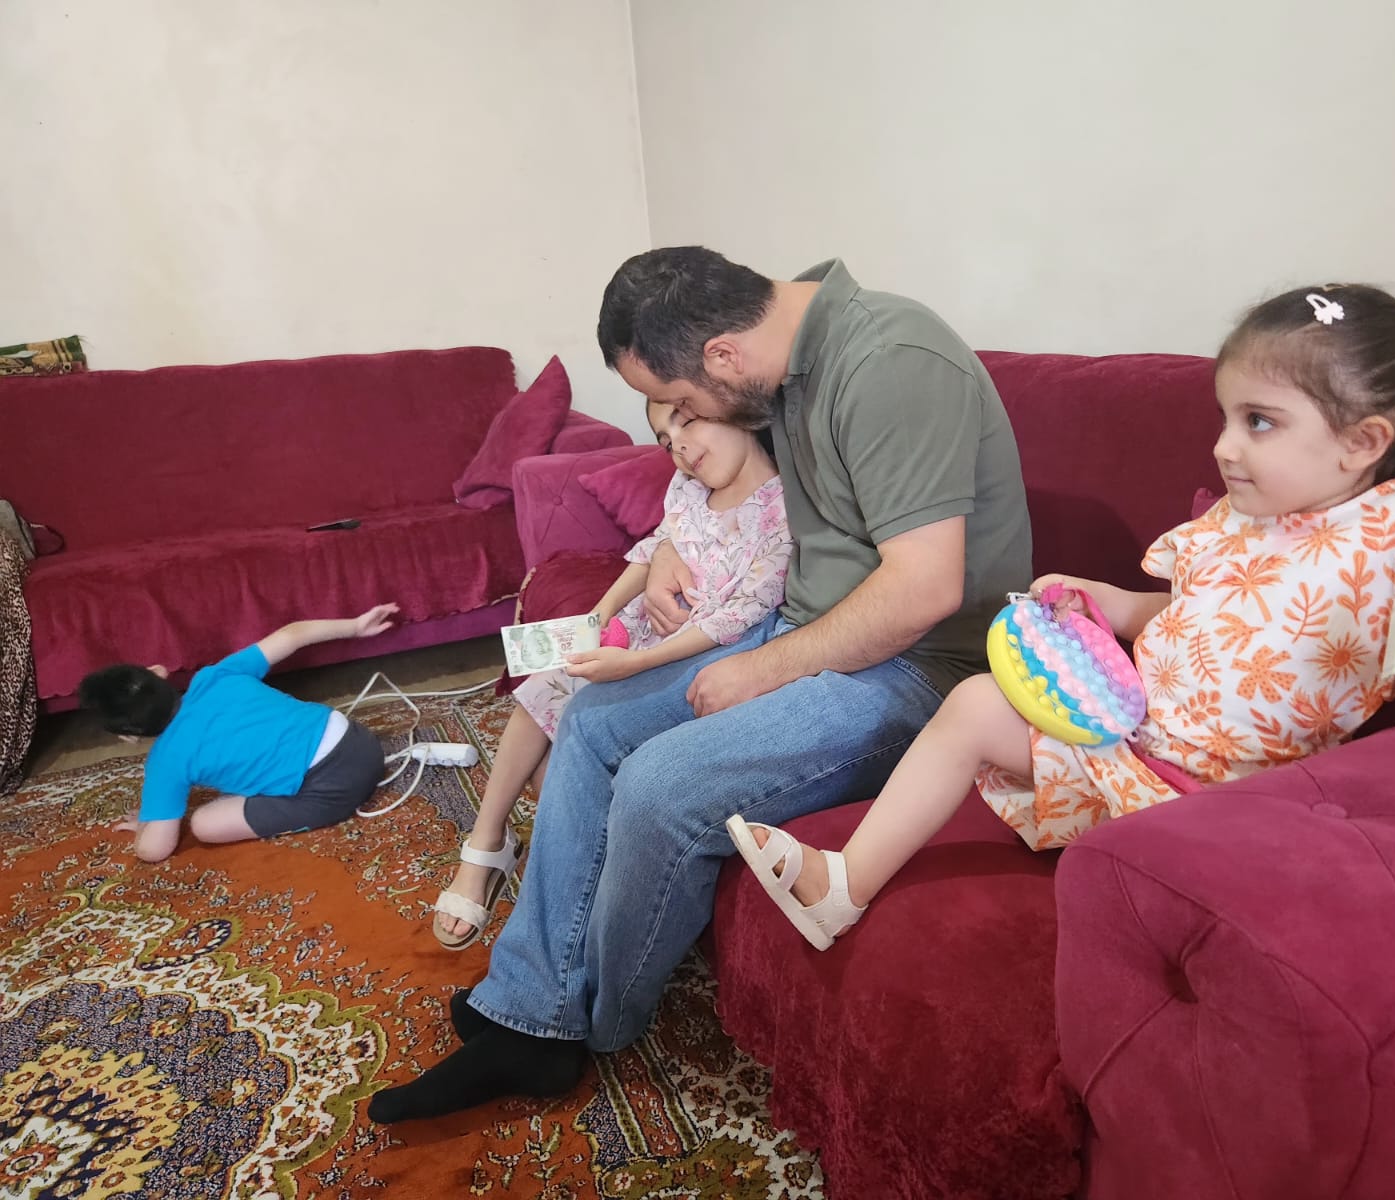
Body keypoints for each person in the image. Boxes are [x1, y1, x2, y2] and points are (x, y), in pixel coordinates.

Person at [367, 248, 1031, 1122]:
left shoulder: (891, 364)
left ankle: (592, 1025)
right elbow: (724, 495)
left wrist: (759, 667)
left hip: (918, 667)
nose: (683, 429)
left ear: (723, 356)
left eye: (684, 403)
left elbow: (924, 591)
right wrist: (669, 551)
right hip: (808, 626)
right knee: (591, 719)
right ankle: (531, 1007)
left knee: (660, 784)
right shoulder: (780, 348)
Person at [728, 284, 1395, 950]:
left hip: (1237, 805)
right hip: (1130, 750)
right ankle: (843, 884)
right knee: (973, 704)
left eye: (1259, 422)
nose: (1225, 447)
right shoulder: (1245, 514)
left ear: (1362, 441)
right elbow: (1196, 611)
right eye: (1226, 418)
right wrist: (1113, 602)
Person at [431, 398, 793, 948]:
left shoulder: (782, 509)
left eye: (686, 421)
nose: (678, 447)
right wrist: (598, 618)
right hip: (639, 636)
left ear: (731, 405)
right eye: (664, 440)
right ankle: (486, 841)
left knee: (565, 754)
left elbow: (738, 615)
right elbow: (653, 549)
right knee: (543, 692)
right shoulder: (688, 488)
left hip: (690, 659)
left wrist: (636, 662)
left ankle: (568, 888)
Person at [78, 604, 400, 864]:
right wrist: (355, 626)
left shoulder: (165, 761)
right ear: (157, 672)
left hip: (333, 791)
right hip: (361, 743)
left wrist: (147, 826)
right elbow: (293, 634)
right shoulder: (216, 675)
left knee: (203, 824)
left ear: (128, 735)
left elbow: (154, 849)